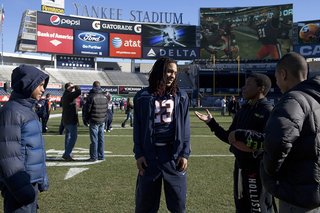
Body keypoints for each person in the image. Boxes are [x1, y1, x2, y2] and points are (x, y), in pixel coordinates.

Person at [195, 73, 274, 213]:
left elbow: (268, 141)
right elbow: (229, 137)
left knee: (258, 208)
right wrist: (211, 123)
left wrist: (241, 134)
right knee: (241, 208)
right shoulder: (242, 110)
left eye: (248, 85)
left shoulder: (268, 111)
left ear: (261, 89)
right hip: (240, 166)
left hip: (257, 168)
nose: (243, 88)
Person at [261, 52, 320, 212]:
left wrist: (269, 173)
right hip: (313, 189)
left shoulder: (293, 100)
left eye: (277, 77)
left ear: (283, 74)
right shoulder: (315, 99)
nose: (277, 83)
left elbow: (278, 142)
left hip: (297, 192)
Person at [133, 57, 191, 213]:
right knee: (145, 206)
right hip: (149, 157)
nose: (172, 75)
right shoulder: (142, 96)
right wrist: (139, 154)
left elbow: (185, 128)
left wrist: (184, 154)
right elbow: (137, 129)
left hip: (173, 157)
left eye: (175, 72)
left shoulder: (182, 96)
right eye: (169, 71)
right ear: (160, 71)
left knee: (178, 206)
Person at [0, 65, 49, 212]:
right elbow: (8, 157)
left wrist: (42, 177)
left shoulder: (27, 110)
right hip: (18, 187)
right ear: (28, 84)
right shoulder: (11, 112)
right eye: (40, 85)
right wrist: (22, 190)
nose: (43, 90)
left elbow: (36, 148)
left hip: (28, 183)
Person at [84, 81, 108, 161]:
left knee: (94, 139)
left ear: (93, 86)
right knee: (101, 138)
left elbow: (87, 109)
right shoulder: (104, 96)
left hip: (94, 119)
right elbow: (106, 109)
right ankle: (101, 155)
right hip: (102, 120)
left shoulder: (91, 96)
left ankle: (94, 156)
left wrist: (86, 119)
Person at [61, 82, 81, 161]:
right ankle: (67, 153)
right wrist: (76, 86)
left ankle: (68, 153)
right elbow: (78, 92)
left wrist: (72, 88)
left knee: (68, 137)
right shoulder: (68, 95)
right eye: (71, 87)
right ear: (67, 88)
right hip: (70, 119)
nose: (73, 88)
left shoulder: (66, 95)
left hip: (67, 119)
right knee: (73, 137)